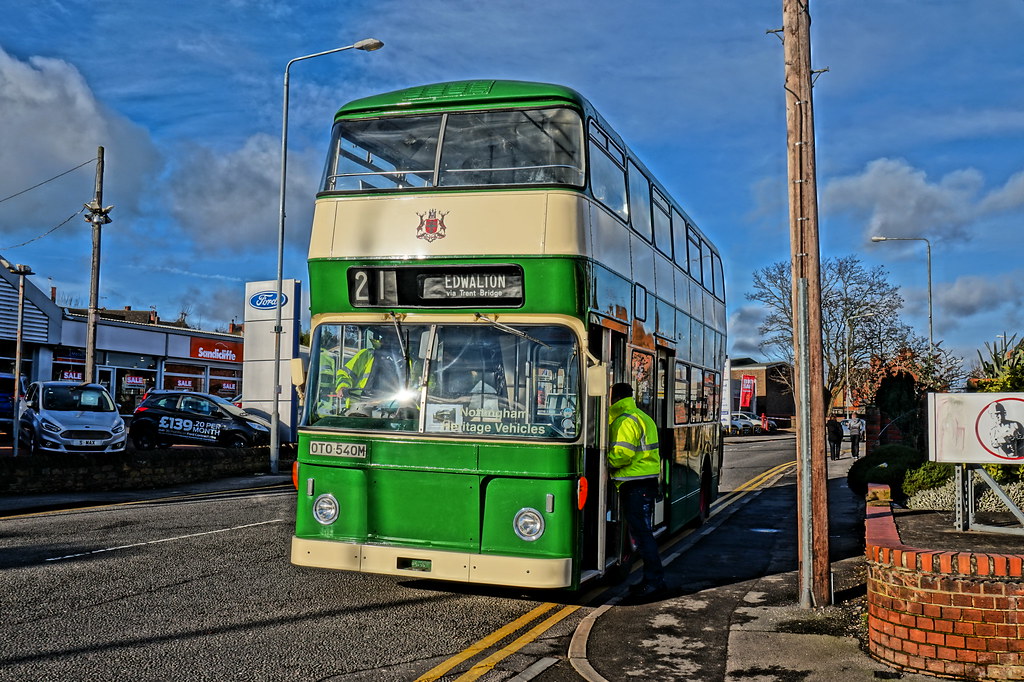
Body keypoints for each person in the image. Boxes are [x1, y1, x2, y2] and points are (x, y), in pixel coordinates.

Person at [607, 382, 666, 597]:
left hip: (634, 484)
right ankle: (651, 579)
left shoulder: (624, 420)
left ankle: (654, 582)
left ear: (615, 397)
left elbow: (622, 454)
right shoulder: (642, 416)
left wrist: (606, 463)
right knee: (642, 534)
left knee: (642, 535)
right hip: (645, 482)